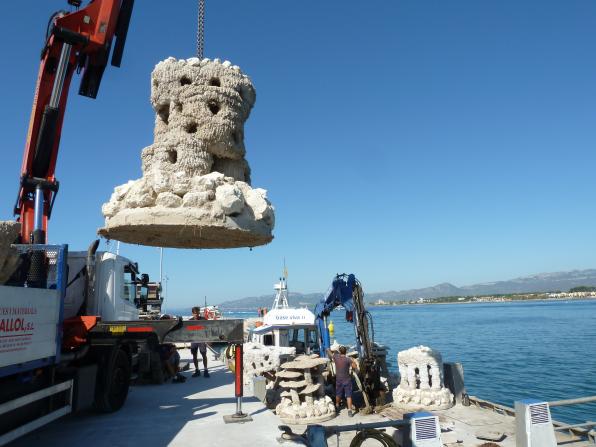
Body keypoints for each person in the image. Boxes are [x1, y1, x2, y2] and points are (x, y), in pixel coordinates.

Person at [327, 346, 358, 417]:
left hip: (339, 380)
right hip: (347, 380)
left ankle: (337, 405)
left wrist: (328, 349)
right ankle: (349, 411)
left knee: (338, 394)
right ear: (346, 352)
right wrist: (353, 361)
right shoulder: (348, 359)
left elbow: (330, 354)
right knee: (349, 395)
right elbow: (355, 367)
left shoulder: (336, 357)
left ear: (340, 352)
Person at [190, 306, 210, 377]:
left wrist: (208, 339)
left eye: (197, 313)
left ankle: (205, 370)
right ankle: (197, 370)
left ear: (199, 313)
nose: (196, 314)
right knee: (194, 356)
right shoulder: (190, 321)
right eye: (194, 313)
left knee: (204, 355)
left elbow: (208, 329)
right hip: (194, 341)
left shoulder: (203, 319)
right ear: (192, 313)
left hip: (202, 340)